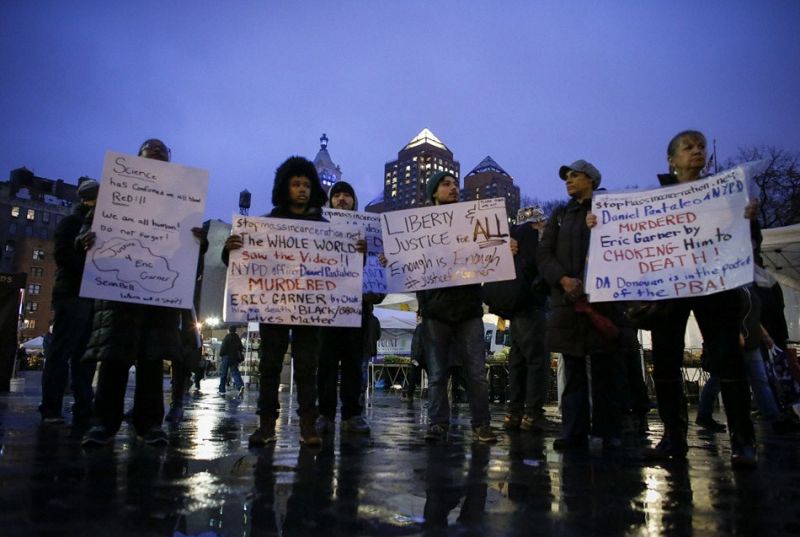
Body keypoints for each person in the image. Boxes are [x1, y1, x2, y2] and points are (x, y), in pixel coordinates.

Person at [635, 130, 757, 467]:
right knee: (666, 362)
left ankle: (743, 441)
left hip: (714, 287)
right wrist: (598, 224)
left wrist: (748, 220)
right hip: (670, 288)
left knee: (728, 360)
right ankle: (673, 437)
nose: (697, 151)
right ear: (672, 160)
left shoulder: (727, 195)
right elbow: (632, 244)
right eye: (688, 147)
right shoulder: (654, 201)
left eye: (701, 146)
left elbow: (749, 243)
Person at [81, 138, 205, 447]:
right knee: (114, 361)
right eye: (150, 156)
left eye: (161, 158)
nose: (155, 161)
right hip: (119, 297)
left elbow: (190, 258)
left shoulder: (181, 203)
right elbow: (86, 232)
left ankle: (150, 425)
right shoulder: (115, 194)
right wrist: (84, 240)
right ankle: (103, 424)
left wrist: (198, 243)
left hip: (157, 297)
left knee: (151, 363)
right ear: (138, 159)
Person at [223, 156, 330, 447]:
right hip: (274, 308)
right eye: (296, 184)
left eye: (307, 184)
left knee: (308, 368)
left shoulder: (326, 227)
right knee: (269, 366)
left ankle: (308, 425)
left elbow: (341, 268)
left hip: (310, 310)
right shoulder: (265, 225)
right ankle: (266, 424)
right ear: (284, 187)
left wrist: (355, 252)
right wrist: (229, 249)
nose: (302, 189)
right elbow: (241, 264)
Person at [414, 171, 507, 443]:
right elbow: (409, 263)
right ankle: (438, 423)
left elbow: (492, 251)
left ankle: (481, 425)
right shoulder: (419, 227)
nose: (453, 188)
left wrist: (505, 247)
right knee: (438, 373)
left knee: (477, 372)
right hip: (436, 310)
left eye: (455, 184)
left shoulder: (473, 221)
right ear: (434, 192)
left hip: (467, 308)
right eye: (446, 184)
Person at [538, 160, 624, 451]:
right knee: (572, 370)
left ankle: (608, 429)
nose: (569, 181)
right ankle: (573, 430)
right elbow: (544, 253)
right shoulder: (560, 214)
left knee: (605, 370)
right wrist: (562, 279)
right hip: (567, 304)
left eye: (575, 176)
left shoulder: (612, 208)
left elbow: (624, 245)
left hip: (602, 304)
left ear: (592, 179)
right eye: (567, 177)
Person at [484, 205, 551, 432]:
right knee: (536, 359)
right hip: (530, 303)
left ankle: (514, 413)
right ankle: (532, 414)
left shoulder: (509, 237)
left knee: (519, 357)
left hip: (514, 306)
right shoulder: (532, 235)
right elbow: (538, 266)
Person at [316, 181, 375, 435]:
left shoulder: (369, 233)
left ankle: (353, 414)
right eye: (337, 195)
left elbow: (376, 275)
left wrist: (366, 253)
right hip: (326, 308)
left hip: (356, 308)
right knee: (326, 363)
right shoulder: (317, 229)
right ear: (330, 201)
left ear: (354, 201)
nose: (341, 199)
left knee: (353, 364)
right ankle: (325, 414)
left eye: (347, 195)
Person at [38, 179, 99, 426]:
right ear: (87, 200)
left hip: (93, 296)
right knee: (62, 351)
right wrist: (87, 259)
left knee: (86, 356)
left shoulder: (103, 226)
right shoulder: (72, 223)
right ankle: (51, 407)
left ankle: (84, 406)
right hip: (72, 295)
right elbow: (62, 256)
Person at [218, 326, 245, 397]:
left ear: (229, 330)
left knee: (223, 374)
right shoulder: (237, 338)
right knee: (235, 373)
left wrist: (221, 354)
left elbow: (223, 348)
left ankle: (222, 390)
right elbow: (241, 348)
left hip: (226, 357)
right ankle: (240, 386)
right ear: (235, 330)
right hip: (234, 358)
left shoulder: (227, 337)